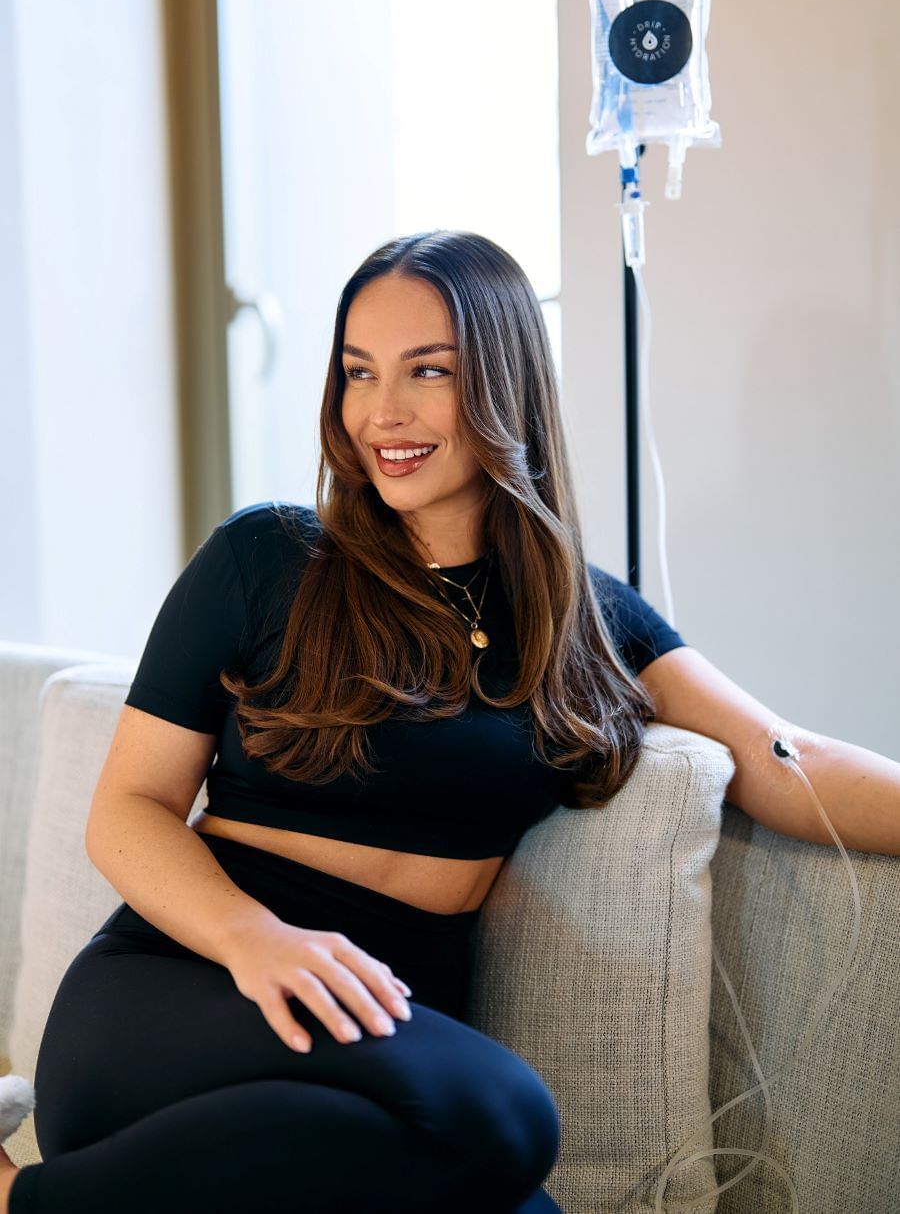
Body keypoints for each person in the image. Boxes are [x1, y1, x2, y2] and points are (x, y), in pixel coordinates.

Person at [10, 226, 883, 1213]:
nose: (382, 412)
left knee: (525, 1204)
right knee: (508, 1115)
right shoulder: (265, 561)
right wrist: (258, 938)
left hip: (371, 1069)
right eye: (357, 372)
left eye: (428, 371)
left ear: (503, 383)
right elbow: (127, 806)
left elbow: (786, 756)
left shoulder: (580, 615)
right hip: (179, 998)